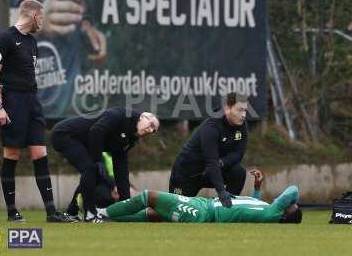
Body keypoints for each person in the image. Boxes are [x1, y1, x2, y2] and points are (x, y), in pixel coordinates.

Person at [0, 0, 74, 223]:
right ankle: (11, 212)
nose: (42, 21)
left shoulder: (32, 42)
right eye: (42, 16)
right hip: (12, 102)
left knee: (40, 154)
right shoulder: (5, 38)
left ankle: (52, 213)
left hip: (32, 102)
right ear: (34, 15)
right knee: (12, 154)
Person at [50, 107, 159, 222]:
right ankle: (90, 213)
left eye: (154, 130)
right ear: (142, 117)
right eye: (151, 124)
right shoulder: (121, 114)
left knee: (93, 173)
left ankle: (71, 213)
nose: (151, 130)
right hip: (64, 134)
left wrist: (126, 204)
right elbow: (96, 131)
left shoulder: (130, 138)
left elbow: (121, 170)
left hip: (83, 141)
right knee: (91, 169)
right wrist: (98, 161)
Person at [98, 170, 303, 224]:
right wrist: (257, 189)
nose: (285, 204)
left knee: (148, 196)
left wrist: (293, 203)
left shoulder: (275, 213)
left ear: (284, 216)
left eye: (288, 208)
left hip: (202, 212)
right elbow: (252, 205)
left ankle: (102, 212)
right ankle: (106, 219)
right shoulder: (269, 211)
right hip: (205, 207)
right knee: (153, 213)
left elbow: (293, 189)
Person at [169, 92, 251, 208]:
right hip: (187, 174)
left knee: (238, 172)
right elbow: (211, 161)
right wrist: (221, 191)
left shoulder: (241, 125)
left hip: (210, 172)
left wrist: (222, 162)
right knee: (174, 212)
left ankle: (227, 211)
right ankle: (143, 214)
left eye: (245, 111)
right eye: (240, 110)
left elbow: (239, 153)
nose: (243, 115)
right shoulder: (212, 126)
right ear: (227, 108)